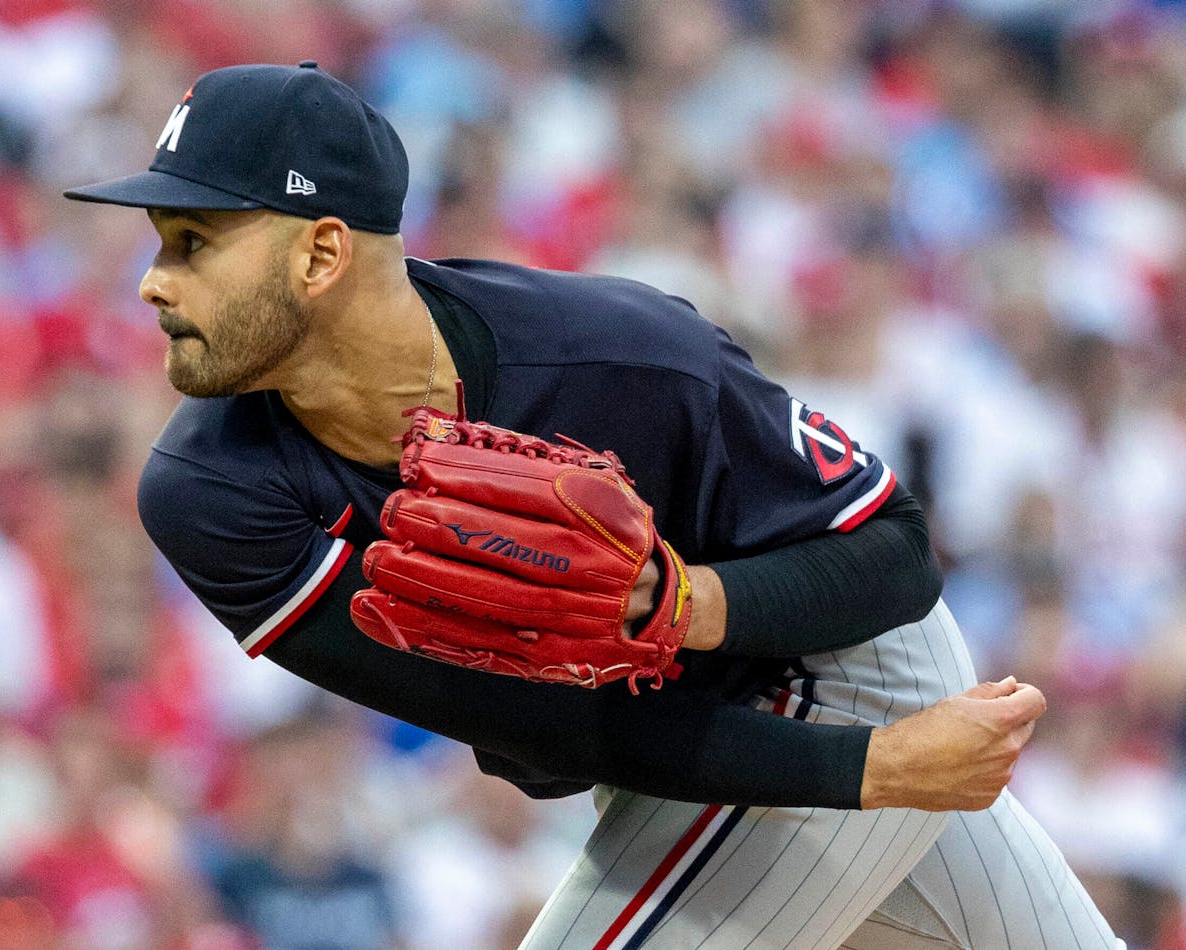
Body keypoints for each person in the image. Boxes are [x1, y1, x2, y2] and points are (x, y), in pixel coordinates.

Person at [64, 62, 1122, 949]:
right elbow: (534, 715)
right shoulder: (212, 492)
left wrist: (701, 613)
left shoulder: (619, 355)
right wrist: (871, 775)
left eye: (192, 240)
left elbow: (894, 553)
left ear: (321, 252)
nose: (153, 281)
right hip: (683, 749)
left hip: (848, 668)